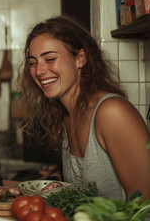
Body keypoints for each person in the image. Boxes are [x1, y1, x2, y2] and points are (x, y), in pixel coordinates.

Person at [17, 15, 150, 200]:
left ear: (80, 58)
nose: (39, 71)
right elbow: (92, 195)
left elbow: (145, 207)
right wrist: (64, 191)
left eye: (50, 59)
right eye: (33, 63)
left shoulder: (112, 112)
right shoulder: (67, 116)